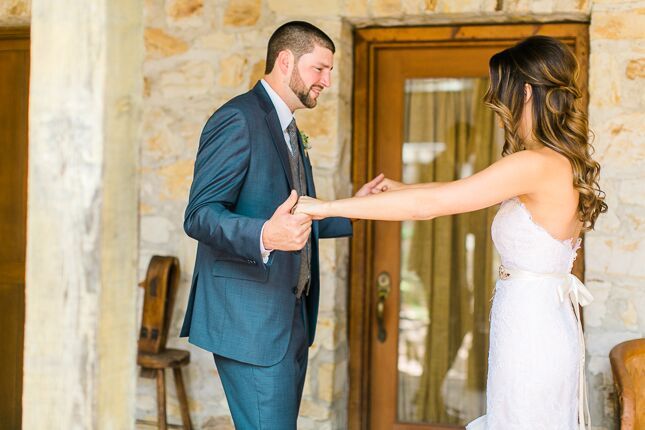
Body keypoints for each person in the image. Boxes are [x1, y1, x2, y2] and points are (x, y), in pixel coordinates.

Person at [295, 35, 606, 430]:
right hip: (540, 319)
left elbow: (431, 206)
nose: (497, 104)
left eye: (502, 91)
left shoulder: (533, 163)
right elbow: (457, 191)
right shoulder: (555, 160)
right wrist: (402, 188)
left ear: (526, 92)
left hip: (533, 329)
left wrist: (325, 208)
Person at [180, 21, 384, 429]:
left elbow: (296, 216)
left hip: (291, 316)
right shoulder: (237, 118)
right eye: (319, 69)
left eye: (330, 71)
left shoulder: (287, 126)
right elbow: (199, 214)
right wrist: (264, 235)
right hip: (252, 322)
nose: (327, 81)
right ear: (286, 60)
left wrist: (353, 208)